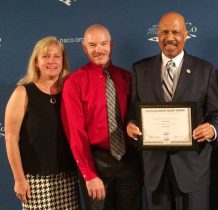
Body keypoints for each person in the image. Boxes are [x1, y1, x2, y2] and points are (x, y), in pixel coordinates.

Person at [126, 12, 218, 210]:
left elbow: (217, 115)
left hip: (192, 169)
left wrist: (211, 129)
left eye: (175, 32)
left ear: (186, 35)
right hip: (155, 170)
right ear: (157, 35)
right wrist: (130, 126)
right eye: (164, 32)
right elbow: (133, 113)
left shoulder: (204, 70)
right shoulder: (140, 69)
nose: (170, 37)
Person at [61, 24, 141, 210]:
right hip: (96, 163)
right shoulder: (74, 82)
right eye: (92, 45)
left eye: (103, 43)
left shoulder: (127, 78)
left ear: (111, 45)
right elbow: (75, 133)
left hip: (129, 162)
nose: (98, 49)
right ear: (84, 48)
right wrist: (89, 174)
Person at [5, 36, 79, 209]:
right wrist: (19, 179)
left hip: (68, 178)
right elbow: (10, 138)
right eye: (45, 56)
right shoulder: (23, 92)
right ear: (36, 62)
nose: (51, 61)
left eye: (56, 56)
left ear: (63, 61)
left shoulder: (71, 91)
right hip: (35, 182)